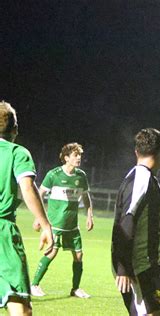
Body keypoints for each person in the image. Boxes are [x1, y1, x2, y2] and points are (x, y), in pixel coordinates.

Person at [112, 128, 160, 316]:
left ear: (136, 152)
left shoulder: (147, 178)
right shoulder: (141, 179)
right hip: (137, 267)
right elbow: (126, 222)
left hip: (148, 265)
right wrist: (123, 268)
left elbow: (149, 225)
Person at [0, 100, 53, 315]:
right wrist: (45, 224)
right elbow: (28, 188)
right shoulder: (17, 153)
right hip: (3, 235)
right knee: (20, 308)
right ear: (15, 129)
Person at [31, 142, 94, 298]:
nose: (79, 157)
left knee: (79, 255)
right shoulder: (54, 175)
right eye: (75, 155)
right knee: (51, 252)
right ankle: (34, 285)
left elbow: (86, 197)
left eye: (80, 155)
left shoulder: (81, 176)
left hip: (73, 226)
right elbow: (40, 195)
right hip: (55, 224)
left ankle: (75, 289)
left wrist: (89, 215)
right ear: (66, 158)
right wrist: (38, 218)